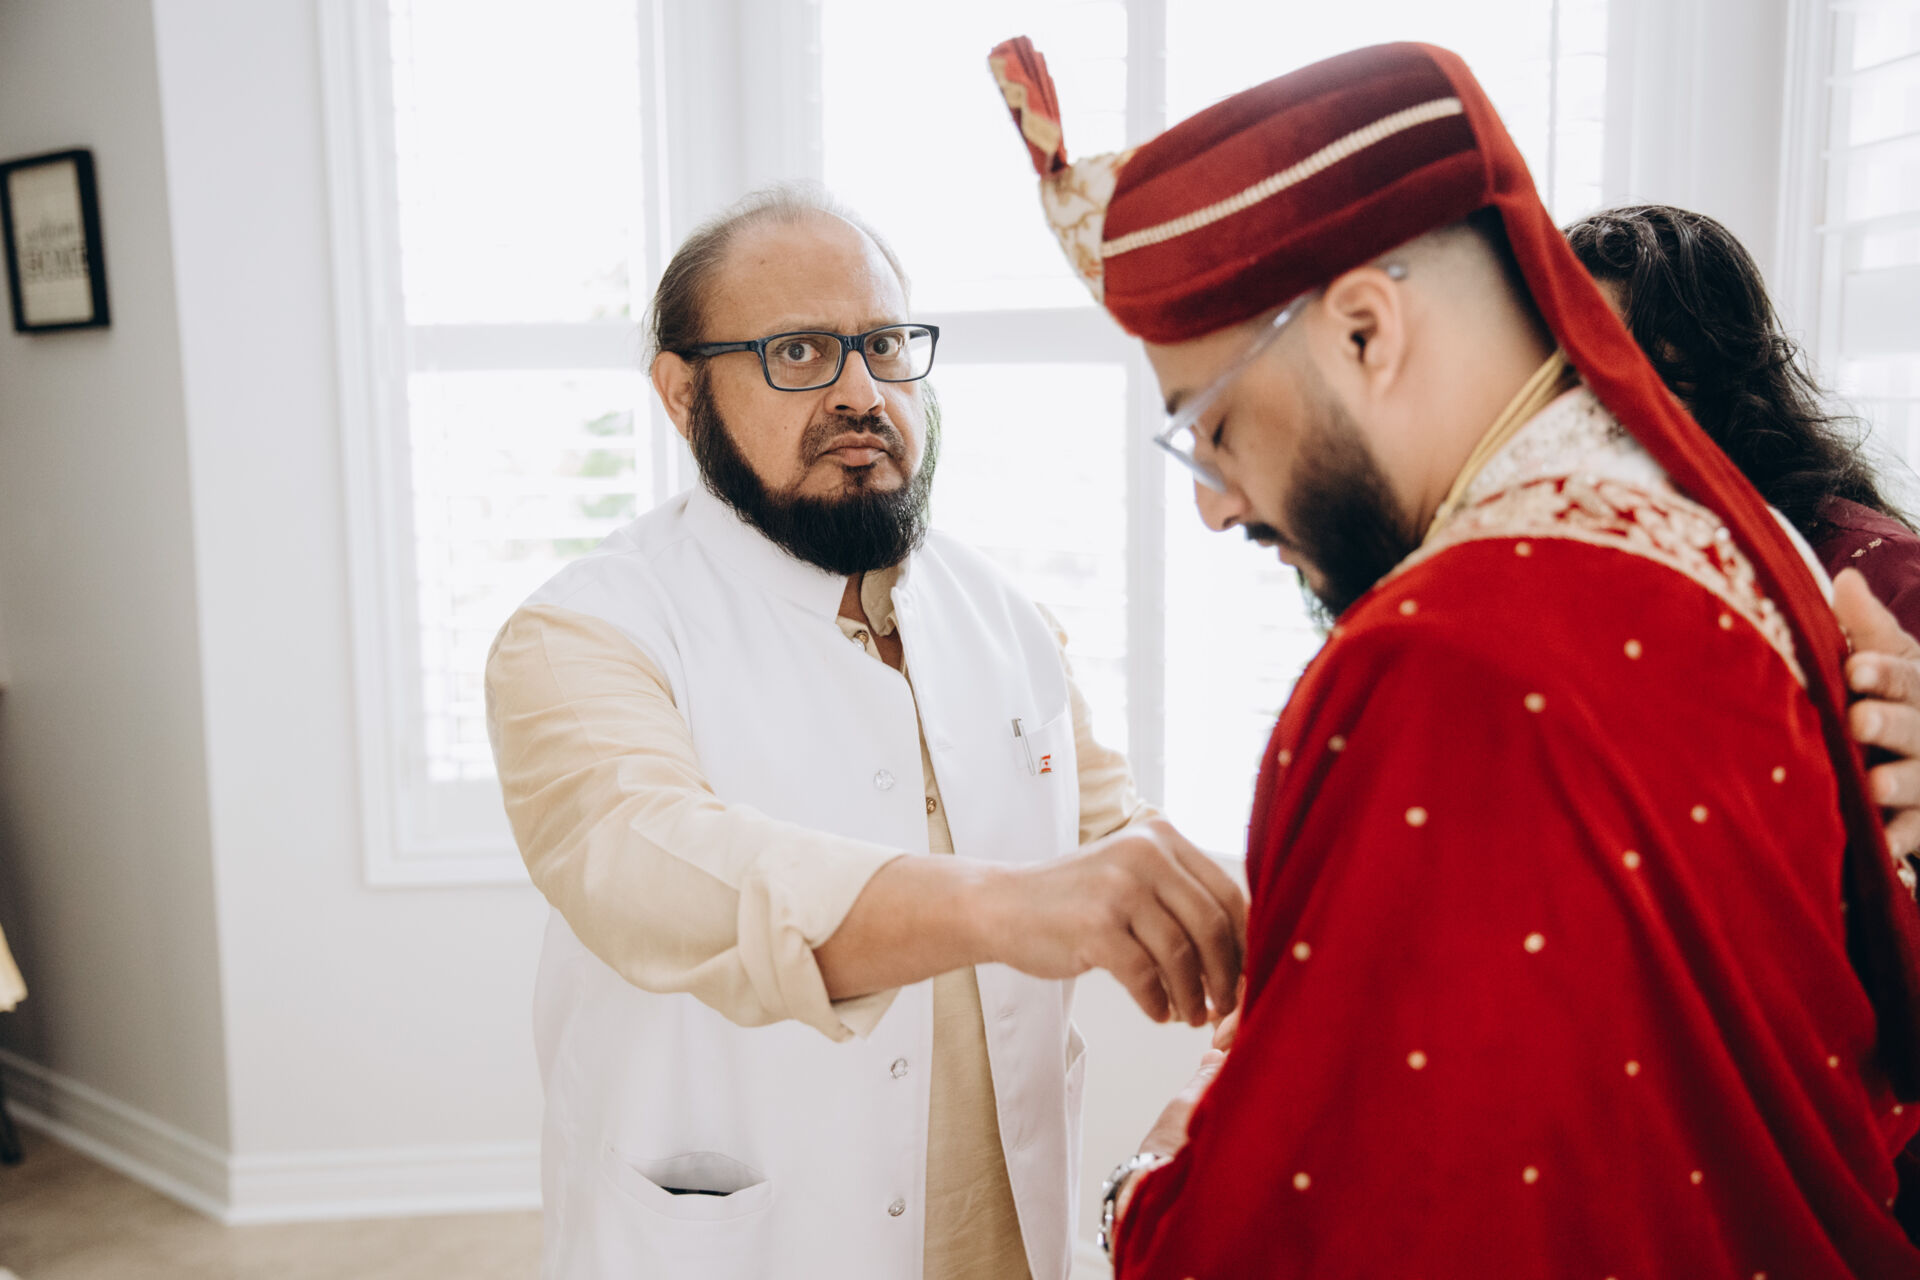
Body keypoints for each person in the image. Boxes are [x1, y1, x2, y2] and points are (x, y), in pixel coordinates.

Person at [988, 37, 1920, 1276]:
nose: (1215, 503)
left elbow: (1301, 1230)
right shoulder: (1734, 544)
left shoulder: (1442, 657)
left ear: (1364, 330)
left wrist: (1143, 1187)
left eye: (1213, 425)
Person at [483, 185, 1246, 1280]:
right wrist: (1005, 906)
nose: (860, 392)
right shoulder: (582, 633)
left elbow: (1113, 832)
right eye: (797, 351)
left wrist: (1268, 947)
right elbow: (656, 869)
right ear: (682, 394)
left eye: (884, 346)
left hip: (1005, 1235)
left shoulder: (1007, 616)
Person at [1569, 204, 1920, 633]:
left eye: (1610, 369)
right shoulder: (1560, 542)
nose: (1575, 410)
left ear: (1716, 372)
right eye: (1560, 375)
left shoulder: (1874, 571)